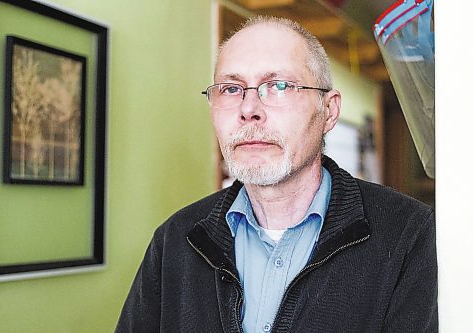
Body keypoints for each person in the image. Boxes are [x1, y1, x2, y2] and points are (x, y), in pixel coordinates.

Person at [116, 16, 437, 332]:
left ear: (329, 110)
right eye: (230, 89)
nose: (248, 109)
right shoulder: (175, 239)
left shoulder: (408, 234)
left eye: (279, 85)